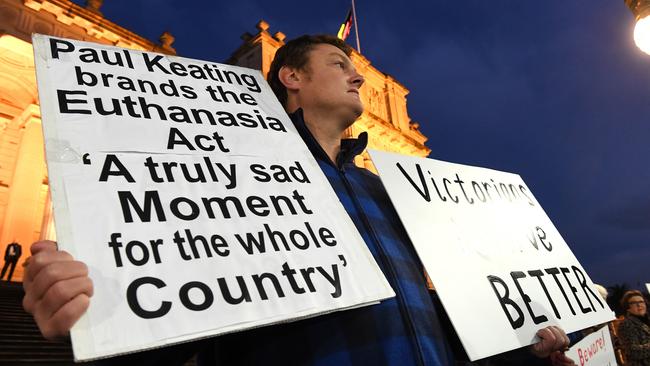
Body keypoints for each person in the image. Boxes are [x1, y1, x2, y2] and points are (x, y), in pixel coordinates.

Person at [23, 34, 573, 365]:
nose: (358, 77)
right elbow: (180, 305)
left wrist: (515, 344)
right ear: (291, 76)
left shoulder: (390, 192)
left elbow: (426, 322)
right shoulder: (223, 176)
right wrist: (96, 313)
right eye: (339, 65)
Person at [617, 290, 650, 366]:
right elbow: (632, 351)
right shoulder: (625, 324)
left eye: (641, 302)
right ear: (627, 308)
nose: (639, 305)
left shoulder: (647, 319)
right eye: (634, 303)